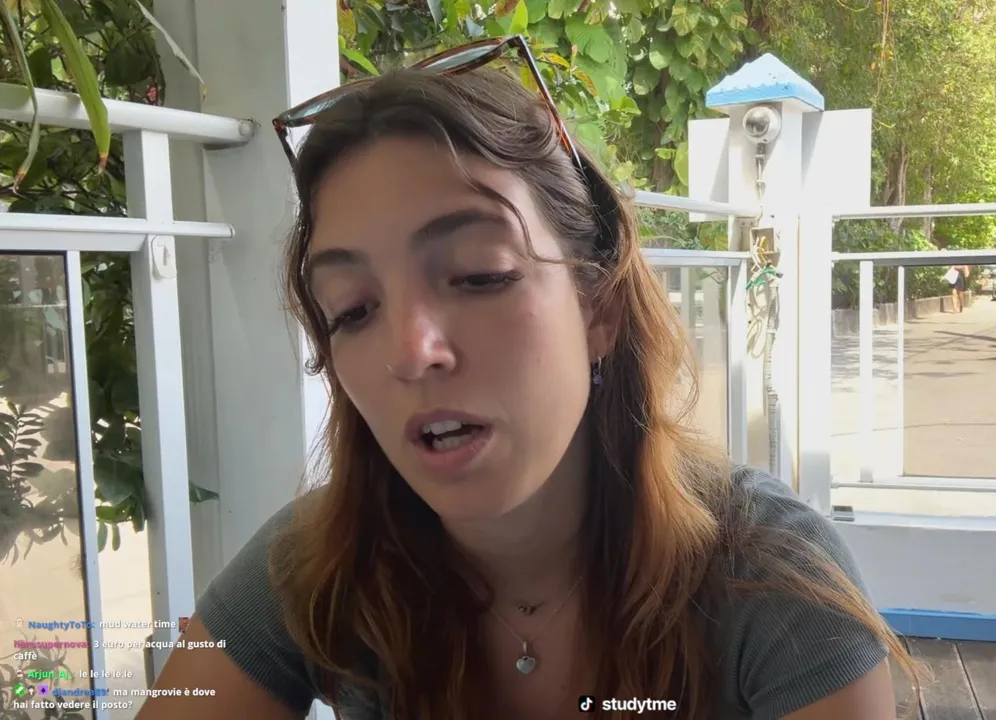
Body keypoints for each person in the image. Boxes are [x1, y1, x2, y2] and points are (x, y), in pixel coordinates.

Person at [136, 37, 914, 720]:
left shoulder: (769, 575)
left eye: (479, 275)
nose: (411, 351)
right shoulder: (319, 562)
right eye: (353, 309)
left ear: (599, 308)